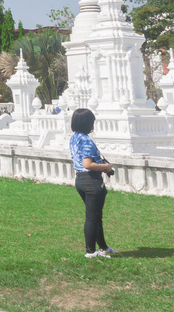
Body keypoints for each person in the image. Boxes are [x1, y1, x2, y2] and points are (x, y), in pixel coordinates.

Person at [69, 108, 116, 258]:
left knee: (95, 217)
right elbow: (88, 164)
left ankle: (102, 247)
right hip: (91, 180)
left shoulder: (74, 138)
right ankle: (90, 251)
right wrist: (106, 167)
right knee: (92, 217)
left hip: (80, 180)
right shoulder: (87, 140)